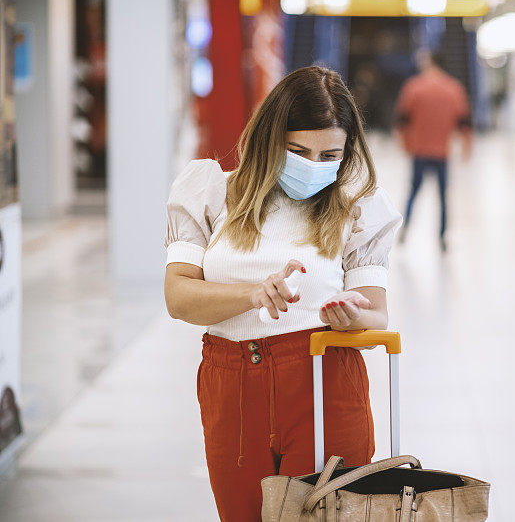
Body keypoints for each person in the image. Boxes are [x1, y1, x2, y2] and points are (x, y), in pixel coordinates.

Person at [163, 66, 403, 521]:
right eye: (297, 151)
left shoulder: (356, 205)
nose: (314, 166)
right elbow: (179, 297)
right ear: (269, 137)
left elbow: (378, 315)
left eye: (329, 154)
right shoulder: (212, 193)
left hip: (323, 378)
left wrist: (351, 316)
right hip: (231, 387)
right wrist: (253, 293)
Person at [394, 49, 472, 252]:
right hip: (441, 152)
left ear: (429, 62)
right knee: (443, 196)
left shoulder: (414, 87)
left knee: (413, 192)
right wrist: (466, 146)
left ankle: (406, 228)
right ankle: (443, 236)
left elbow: (402, 119)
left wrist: (403, 142)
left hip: (419, 150)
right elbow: (463, 122)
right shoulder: (454, 88)